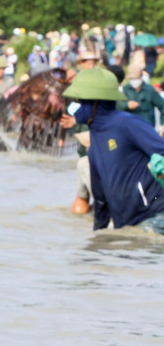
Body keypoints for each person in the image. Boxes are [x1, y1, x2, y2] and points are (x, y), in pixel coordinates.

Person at [62, 68, 164, 233]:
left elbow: (161, 151)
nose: (74, 107)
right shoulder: (95, 138)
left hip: (155, 216)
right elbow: (100, 198)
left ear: (95, 102)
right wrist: (98, 237)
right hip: (127, 224)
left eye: (80, 101)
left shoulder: (128, 124)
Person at [118, 55, 164, 128]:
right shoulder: (126, 89)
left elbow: (162, 105)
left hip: (147, 127)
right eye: (132, 78)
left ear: (141, 76)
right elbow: (118, 105)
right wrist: (126, 105)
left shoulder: (149, 90)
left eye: (135, 78)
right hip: (130, 127)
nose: (134, 80)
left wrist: (162, 123)